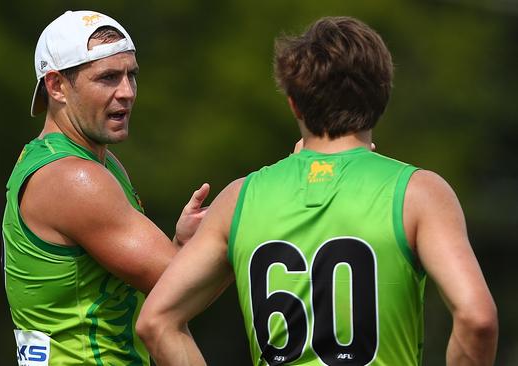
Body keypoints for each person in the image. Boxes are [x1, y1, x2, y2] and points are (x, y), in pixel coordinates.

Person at [136, 16, 498, 366]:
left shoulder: (238, 198)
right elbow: (476, 318)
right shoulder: (419, 193)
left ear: (294, 102)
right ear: (381, 97)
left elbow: (156, 321)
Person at [1, 10, 209, 365]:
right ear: (56, 86)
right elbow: (181, 290)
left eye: (131, 75)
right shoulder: (71, 178)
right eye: (108, 78)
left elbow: (158, 283)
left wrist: (182, 246)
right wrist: (237, 219)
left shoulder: (97, 162)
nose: (127, 92)